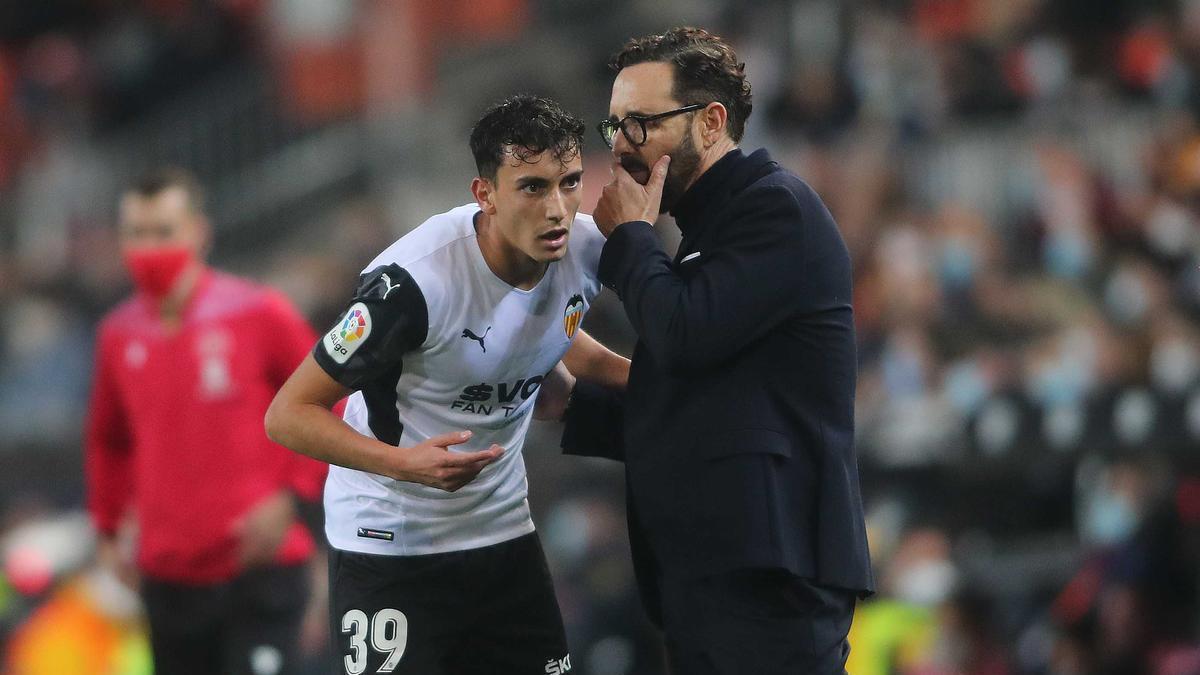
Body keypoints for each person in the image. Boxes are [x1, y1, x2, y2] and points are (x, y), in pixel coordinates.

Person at [264, 94, 627, 675]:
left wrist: (648, 380)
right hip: (390, 539)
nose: (557, 208)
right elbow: (286, 413)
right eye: (532, 187)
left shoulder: (584, 250)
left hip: (502, 530)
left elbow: (549, 330)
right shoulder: (411, 286)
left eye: (570, 182)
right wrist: (401, 463)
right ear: (484, 194)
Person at [558, 26, 875, 673]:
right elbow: (707, 403)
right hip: (712, 576)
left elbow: (680, 332)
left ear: (711, 123)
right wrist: (570, 400)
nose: (621, 147)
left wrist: (630, 241)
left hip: (771, 574)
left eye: (641, 124)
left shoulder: (774, 208)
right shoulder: (709, 235)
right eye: (613, 126)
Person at [85, 167, 329, 675]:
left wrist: (291, 496)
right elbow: (109, 440)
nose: (150, 248)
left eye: (164, 232)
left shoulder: (258, 313)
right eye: (137, 234)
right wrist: (109, 530)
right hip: (167, 576)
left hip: (258, 571)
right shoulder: (117, 334)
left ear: (198, 231)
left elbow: (331, 397)